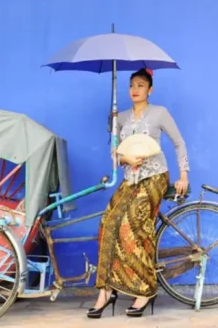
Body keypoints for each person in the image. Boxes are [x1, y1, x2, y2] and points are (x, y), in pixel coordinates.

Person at [87, 68, 189, 318]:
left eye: (141, 85)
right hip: (130, 179)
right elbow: (114, 153)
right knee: (108, 223)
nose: (135, 89)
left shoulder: (159, 113)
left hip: (154, 177)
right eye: (132, 85)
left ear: (150, 89)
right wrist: (124, 157)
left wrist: (183, 174)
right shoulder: (120, 117)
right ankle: (106, 291)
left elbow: (179, 142)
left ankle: (145, 289)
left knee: (130, 226)